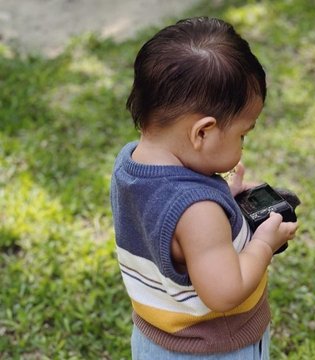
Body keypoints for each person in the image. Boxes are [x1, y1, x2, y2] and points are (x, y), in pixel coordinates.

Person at [110, 16, 299, 359]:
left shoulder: (130, 163)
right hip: (214, 349)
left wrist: (221, 198)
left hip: (156, 340)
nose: (243, 143)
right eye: (243, 134)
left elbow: (167, 225)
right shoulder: (199, 213)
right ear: (202, 132)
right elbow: (226, 292)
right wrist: (264, 243)